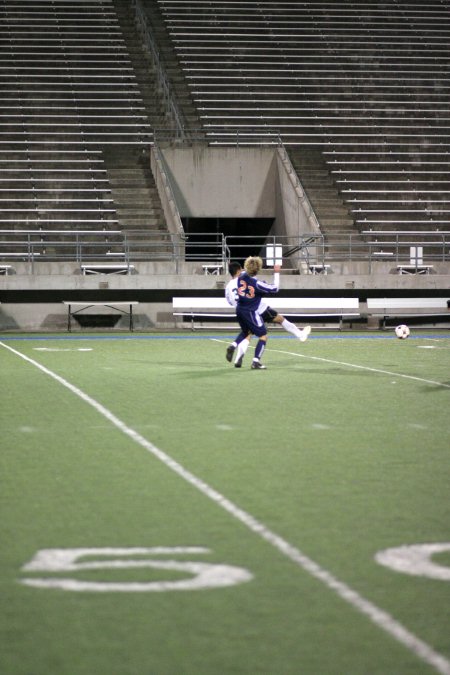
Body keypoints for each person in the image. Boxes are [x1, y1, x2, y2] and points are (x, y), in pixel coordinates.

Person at [228, 256, 311, 369]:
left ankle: (238, 357)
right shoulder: (254, 281)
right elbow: (272, 288)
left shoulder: (232, 283)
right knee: (279, 320)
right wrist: (276, 273)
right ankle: (300, 335)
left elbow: (230, 300)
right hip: (258, 309)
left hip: (242, 309)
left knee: (247, 334)